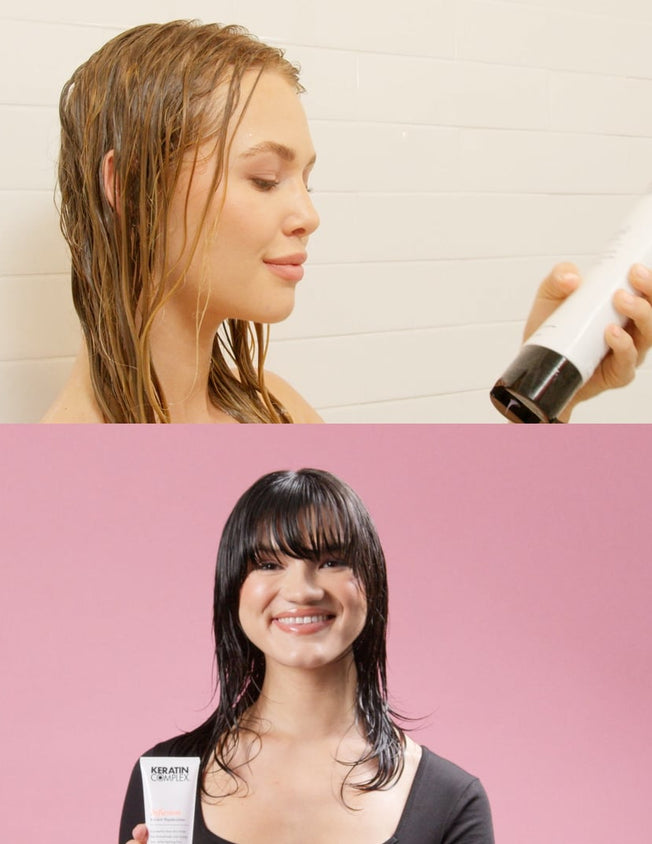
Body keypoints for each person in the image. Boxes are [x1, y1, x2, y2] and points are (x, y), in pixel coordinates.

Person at [42, 21, 652, 423]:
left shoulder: (276, 413)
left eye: (307, 180)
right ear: (128, 186)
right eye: (263, 178)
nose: (307, 215)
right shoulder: (63, 471)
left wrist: (551, 392)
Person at [118, 469, 492, 843]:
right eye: (268, 564)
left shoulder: (450, 801)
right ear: (232, 589)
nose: (302, 591)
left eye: (331, 561)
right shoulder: (164, 777)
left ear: (372, 583)